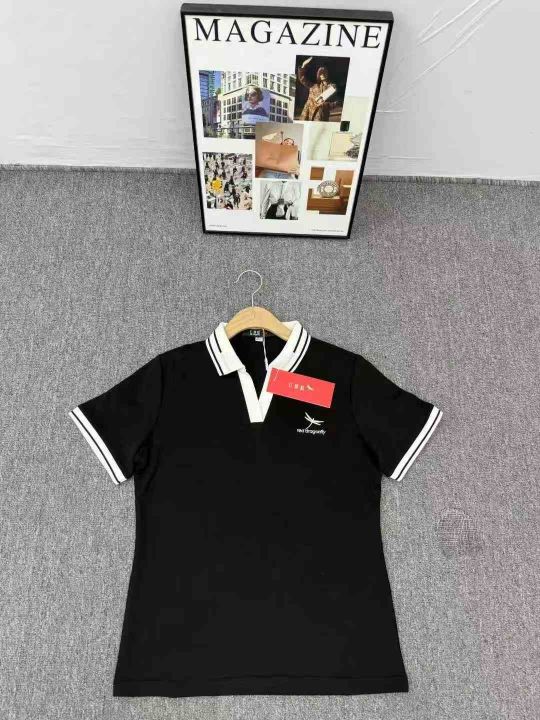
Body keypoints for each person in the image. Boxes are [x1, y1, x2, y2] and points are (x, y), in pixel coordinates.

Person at [297, 57, 339, 122]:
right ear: (318, 75)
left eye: (324, 72)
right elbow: (303, 79)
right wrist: (303, 66)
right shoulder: (314, 86)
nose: (322, 74)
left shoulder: (332, 88)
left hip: (321, 115)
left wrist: (324, 105)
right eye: (321, 73)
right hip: (308, 112)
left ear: (327, 74)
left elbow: (336, 103)